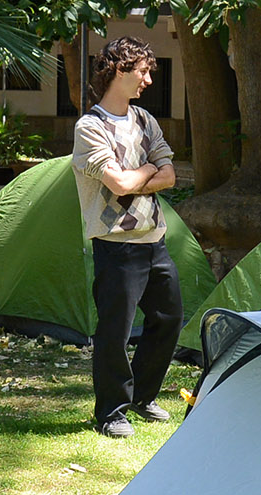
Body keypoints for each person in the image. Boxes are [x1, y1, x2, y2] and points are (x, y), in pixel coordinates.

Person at [73, 36, 182, 438]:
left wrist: (140, 177)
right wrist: (147, 172)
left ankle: (143, 396)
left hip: (155, 241)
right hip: (116, 245)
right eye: (143, 71)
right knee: (115, 332)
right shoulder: (90, 128)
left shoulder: (145, 120)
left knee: (169, 319)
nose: (149, 80)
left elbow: (170, 175)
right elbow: (118, 183)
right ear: (120, 70)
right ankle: (110, 412)